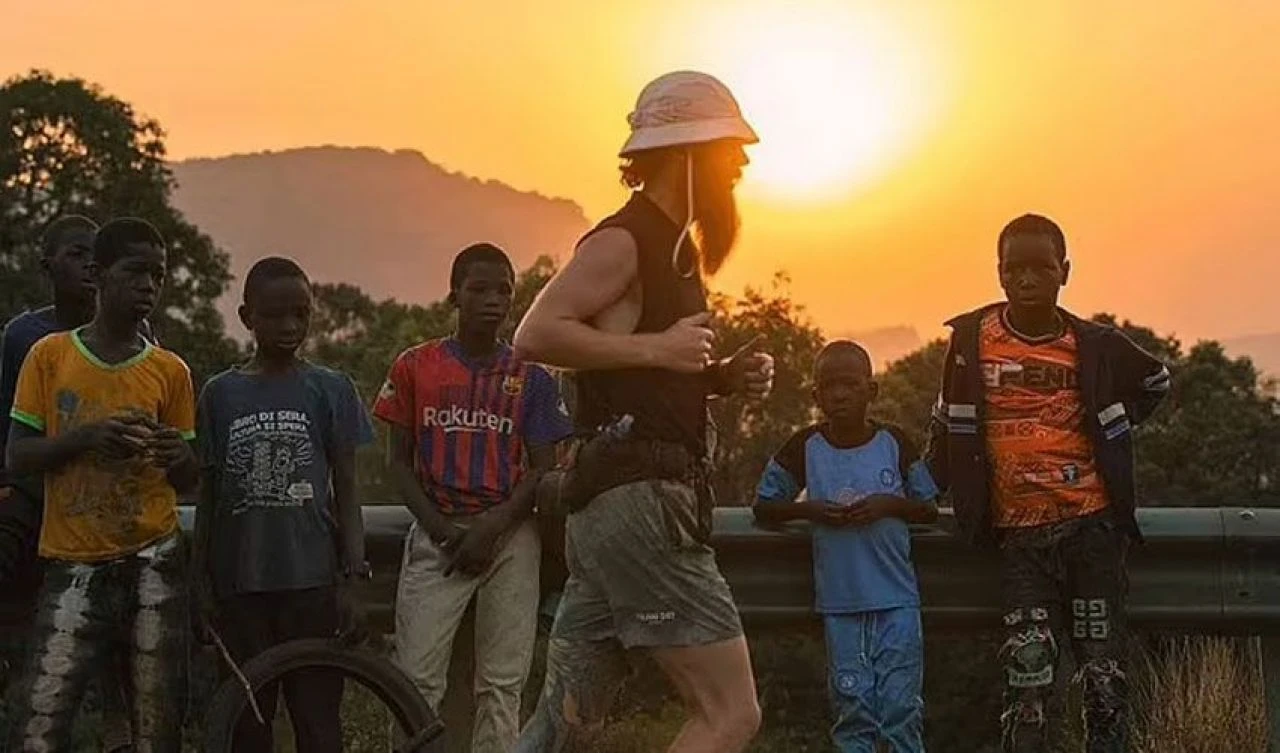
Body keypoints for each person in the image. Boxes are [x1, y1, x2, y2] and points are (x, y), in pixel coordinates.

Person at [512, 71, 774, 753]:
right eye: (728, 150)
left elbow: (635, 377)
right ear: (685, 154)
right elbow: (536, 335)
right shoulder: (626, 240)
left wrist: (718, 377)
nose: (740, 165)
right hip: (644, 509)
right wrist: (661, 347)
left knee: (563, 729)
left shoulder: (677, 250)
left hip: (611, 511)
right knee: (730, 713)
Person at [924, 214, 1171, 753]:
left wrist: (1110, 424)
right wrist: (919, 490)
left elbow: (1156, 380)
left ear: (1065, 271)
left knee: (1103, 682)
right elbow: (946, 425)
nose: (1027, 278)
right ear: (999, 273)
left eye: (1041, 267)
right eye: (1015, 268)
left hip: (1092, 533)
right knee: (1028, 681)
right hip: (1019, 542)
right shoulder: (971, 341)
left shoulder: (1094, 343)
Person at [4, 217, 199, 752]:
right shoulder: (49, 356)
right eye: (135, 272)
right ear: (99, 274)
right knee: (40, 719)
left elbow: (188, 478)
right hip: (72, 560)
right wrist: (87, 438)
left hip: (153, 558)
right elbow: (18, 456)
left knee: (157, 722)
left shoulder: (170, 370)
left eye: (158, 275)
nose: (148, 286)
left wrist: (178, 455)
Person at [374, 243, 573, 753]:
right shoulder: (415, 366)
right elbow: (398, 464)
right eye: (479, 289)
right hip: (437, 533)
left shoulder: (532, 377)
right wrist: (444, 532)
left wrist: (493, 527)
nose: (493, 300)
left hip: (511, 537)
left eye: (503, 290)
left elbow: (543, 468)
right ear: (454, 295)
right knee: (415, 680)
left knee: (502, 684)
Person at [191, 256, 374, 752]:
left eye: (301, 313)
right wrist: (200, 584)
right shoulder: (220, 394)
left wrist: (354, 581)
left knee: (318, 724)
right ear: (247, 317)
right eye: (274, 315)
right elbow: (209, 495)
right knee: (248, 726)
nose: (290, 326)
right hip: (239, 588)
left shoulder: (331, 388)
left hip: (311, 585)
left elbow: (348, 489)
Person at [754, 341, 938, 753]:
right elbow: (764, 506)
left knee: (901, 708)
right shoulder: (805, 447)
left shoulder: (894, 442)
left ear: (871, 391)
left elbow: (927, 507)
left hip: (896, 601)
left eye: (850, 385)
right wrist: (811, 510)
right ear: (815, 395)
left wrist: (889, 505)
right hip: (841, 604)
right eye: (829, 386)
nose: (839, 395)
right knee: (853, 711)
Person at [0, 215, 139, 752]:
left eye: (93, 257)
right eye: (75, 255)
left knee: (126, 604)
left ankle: (119, 721)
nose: (86, 267)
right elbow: (12, 426)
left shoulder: (135, 335)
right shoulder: (24, 336)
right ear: (48, 267)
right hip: (34, 490)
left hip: (101, 497)